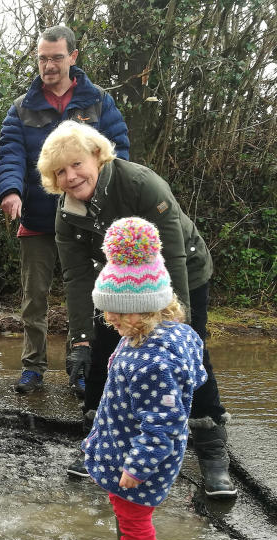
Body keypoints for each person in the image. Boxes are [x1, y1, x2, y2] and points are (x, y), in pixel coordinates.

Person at [37, 120, 236, 497]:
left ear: (96, 155)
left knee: (189, 357)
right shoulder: (66, 214)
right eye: (60, 171)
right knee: (102, 355)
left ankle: (211, 449)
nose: (71, 176)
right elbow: (77, 278)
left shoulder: (141, 184)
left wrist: (179, 326)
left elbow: (172, 255)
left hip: (179, 273)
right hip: (114, 286)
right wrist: (79, 339)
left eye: (76, 164)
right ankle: (99, 444)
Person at [0, 24, 129, 395]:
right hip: (37, 218)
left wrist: (110, 201)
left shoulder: (99, 101)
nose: (48, 65)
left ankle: (83, 367)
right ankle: (32, 368)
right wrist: (10, 190)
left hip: (89, 221)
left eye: (56, 57)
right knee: (33, 299)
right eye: (42, 58)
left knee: (87, 295)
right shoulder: (21, 108)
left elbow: (117, 153)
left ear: (73, 56)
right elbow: (9, 154)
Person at [82, 217, 207, 540]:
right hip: (124, 442)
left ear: (147, 306)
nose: (110, 319)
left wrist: (136, 468)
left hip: (137, 457)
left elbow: (162, 427)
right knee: (124, 511)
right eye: (108, 310)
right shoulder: (166, 334)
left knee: (135, 519)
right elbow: (196, 377)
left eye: (118, 311)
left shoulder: (153, 360)